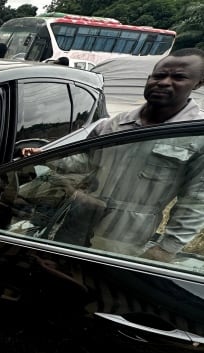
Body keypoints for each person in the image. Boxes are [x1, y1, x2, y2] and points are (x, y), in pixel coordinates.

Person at [21, 48, 204, 262]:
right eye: (159, 75)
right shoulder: (115, 124)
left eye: (178, 77)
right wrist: (45, 156)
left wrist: (166, 248)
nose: (164, 82)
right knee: (58, 269)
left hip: (126, 234)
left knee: (99, 284)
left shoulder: (195, 134)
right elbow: (85, 161)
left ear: (198, 83)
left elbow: (196, 201)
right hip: (81, 216)